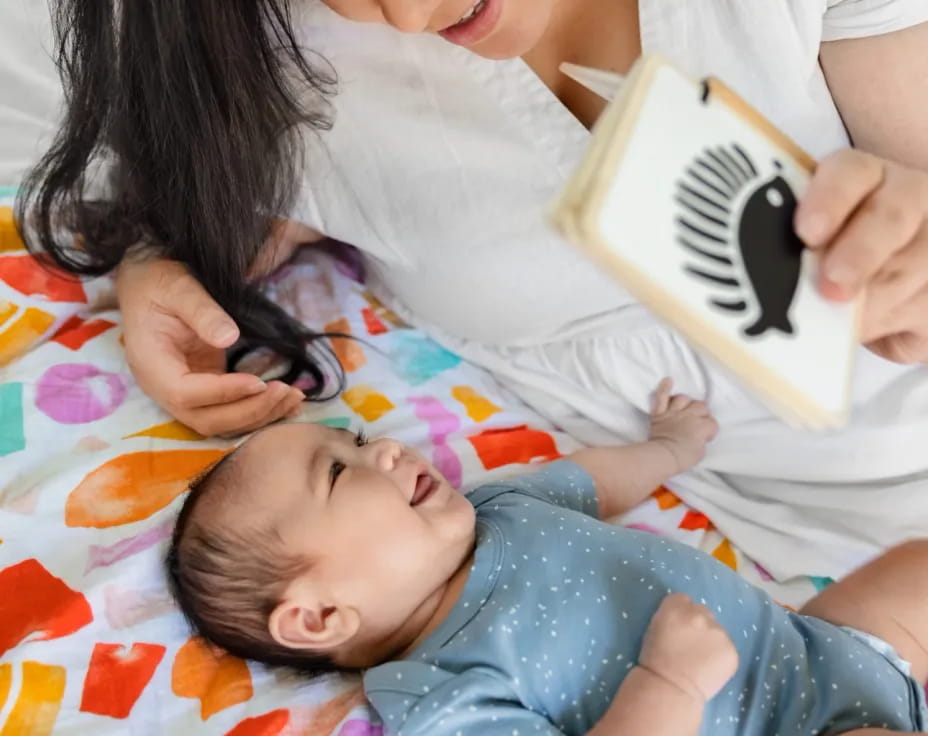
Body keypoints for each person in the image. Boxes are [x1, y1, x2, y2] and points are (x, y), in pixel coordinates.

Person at [18, 0, 928, 578]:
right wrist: (155, 265)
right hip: (788, 557)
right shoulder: (284, 67)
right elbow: (224, 202)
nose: (411, 14)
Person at [166, 379, 928, 735]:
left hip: (815, 651)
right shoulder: (434, 694)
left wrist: (666, 449)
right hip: (777, 727)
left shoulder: (495, 510)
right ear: (321, 614)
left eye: (358, 441)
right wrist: (669, 684)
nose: (388, 448)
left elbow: (593, 483)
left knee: (916, 566)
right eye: (340, 472)